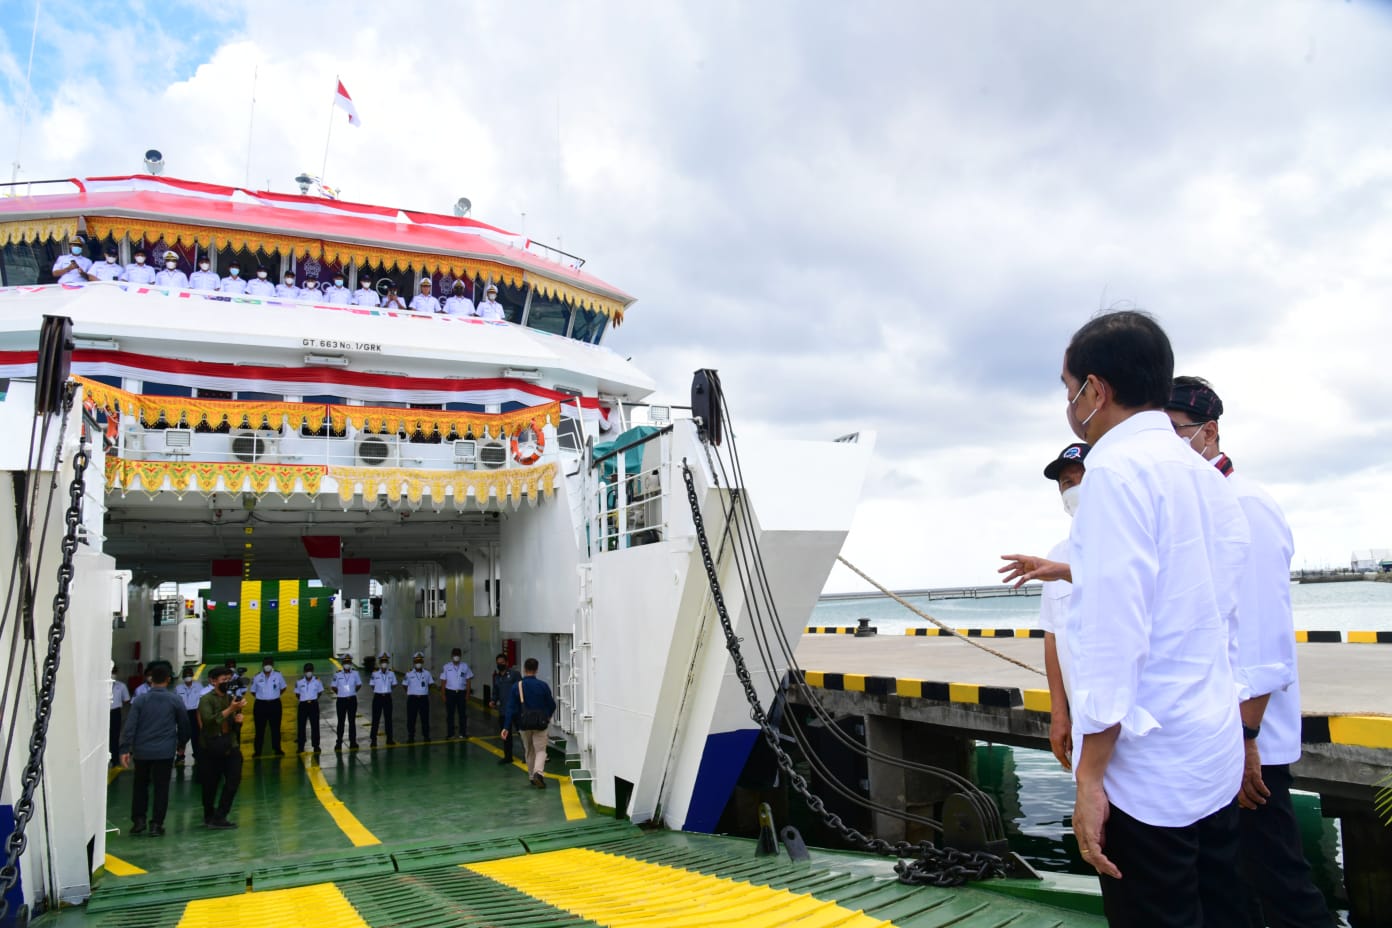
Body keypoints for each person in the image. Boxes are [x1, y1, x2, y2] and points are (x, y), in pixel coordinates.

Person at [1057, 310, 1250, 927]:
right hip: (1210, 750)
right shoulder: (1204, 476)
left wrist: (1089, 778)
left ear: (1096, 390)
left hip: (1146, 774)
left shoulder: (1114, 472)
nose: (1069, 405)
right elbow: (1224, 613)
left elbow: (1117, 634)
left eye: (1069, 391)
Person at [1165, 376, 1336, 928]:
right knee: (1228, 889)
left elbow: (1261, 639)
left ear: (1208, 433)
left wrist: (1245, 740)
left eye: (1175, 434)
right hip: (1212, 738)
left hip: (1247, 741)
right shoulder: (1200, 507)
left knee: (1280, 885)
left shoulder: (1246, 507)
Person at [1000, 442, 1088, 771]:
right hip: (1081, 722)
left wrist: (1064, 573)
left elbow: (1121, 587)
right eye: (1067, 483)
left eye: (1083, 478)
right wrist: (1059, 715)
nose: (1075, 488)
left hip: (1130, 726)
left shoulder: (1130, 545)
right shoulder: (1058, 552)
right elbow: (1052, 637)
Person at [118, 663, 188, 837]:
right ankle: (156, 824)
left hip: (142, 752)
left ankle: (139, 821)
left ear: (150, 680)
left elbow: (130, 726)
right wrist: (181, 745)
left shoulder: (141, 700)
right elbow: (185, 725)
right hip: (164, 752)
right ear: (168, 679)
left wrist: (125, 749)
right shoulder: (175, 700)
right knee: (161, 788)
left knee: (140, 786)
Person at [197, 666, 246, 829]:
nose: (226, 683)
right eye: (223, 680)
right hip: (212, 746)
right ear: (213, 681)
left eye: (228, 680)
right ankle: (209, 814)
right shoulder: (206, 700)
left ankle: (221, 815)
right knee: (210, 783)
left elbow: (232, 723)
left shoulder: (230, 698)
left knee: (233, 780)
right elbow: (209, 721)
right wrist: (231, 709)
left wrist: (238, 719)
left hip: (230, 744)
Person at [501, 657, 556, 789]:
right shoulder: (543, 685)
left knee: (529, 750)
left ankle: (532, 776)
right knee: (541, 750)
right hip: (540, 724)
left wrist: (506, 727)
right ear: (536, 670)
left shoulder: (517, 686)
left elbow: (511, 708)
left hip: (523, 723)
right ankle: (538, 773)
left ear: (524, 669)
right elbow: (552, 704)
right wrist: (547, 716)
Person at [249, 657, 287, 756]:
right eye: (266, 664)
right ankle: (257, 751)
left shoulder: (278, 675)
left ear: (272, 665)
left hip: (275, 704)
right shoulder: (257, 677)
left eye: (269, 663)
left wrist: (274, 696)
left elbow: (283, 688)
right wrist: (263, 697)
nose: (267, 666)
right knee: (259, 729)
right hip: (260, 705)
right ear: (262, 665)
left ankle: (277, 748)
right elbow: (253, 691)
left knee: (276, 728)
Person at [490, 653, 521, 765]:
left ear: (507, 663)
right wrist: (493, 700)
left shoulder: (514, 675)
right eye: (498, 663)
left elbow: (520, 689)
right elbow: (495, 691)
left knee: (522, 733)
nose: (500, 665)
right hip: (503, 710)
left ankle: (528, 756)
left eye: (502, 663)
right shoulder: (497, 677)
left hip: (516, 710)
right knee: (505, 734)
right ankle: (508, 756)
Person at [174, 666, 208, 766]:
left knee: (196, 734)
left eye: (189, 675)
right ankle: (180, 756)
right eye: (186, 675)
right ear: (183, 677)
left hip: (195, 712)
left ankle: (197, 755)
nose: (188, 677)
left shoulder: (199, 686)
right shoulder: (178, 688)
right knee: (182, 734)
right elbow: (176, 702)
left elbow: (202, 699)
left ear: (192, 676)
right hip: (183, 713)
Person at [439, 647, 473, 739]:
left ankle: (463, 733)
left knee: (462, 714)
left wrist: (468, 693)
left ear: (460, 656)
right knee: (450, 714)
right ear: (451, 656)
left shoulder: (465, 666)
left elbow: (468, 680)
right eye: (454, 655)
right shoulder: (446, 667)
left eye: (458, 655)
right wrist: (443, 694)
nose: (456, 657)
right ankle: (450, 733)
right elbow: (443, 681)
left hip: (461, 693)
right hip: (450, 693)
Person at [331, 655, 362, 750]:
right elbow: (333, 686)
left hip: (352, 700)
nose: (347, 664)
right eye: (345, 663)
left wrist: (352, 692)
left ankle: (353, 742)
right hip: (341, 700)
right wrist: (341, 694)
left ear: (351, 663)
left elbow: (359, 685)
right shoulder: (337, 675)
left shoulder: (355, 674)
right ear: (342, 664)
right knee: (341, 722)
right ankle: (339, 742)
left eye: (348, 663)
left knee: (352, 721)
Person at [368, 653, 398, 747]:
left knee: (388, 719)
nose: (384, 663)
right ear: (380, 663)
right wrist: (380, 691)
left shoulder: (392, 674)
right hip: (378, 697)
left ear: (388, 662)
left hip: (387, 698)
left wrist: (387, 691)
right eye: (382, 661)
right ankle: (373, 740)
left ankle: (389, 739)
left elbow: (394, 684)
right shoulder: (375, 673)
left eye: (385, 661)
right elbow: (372, 685)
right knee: (375, 719)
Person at [295, 662, 324, 753]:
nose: (309, 672)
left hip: (313, 705)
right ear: (304, 671)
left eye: (310, 670)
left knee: (315, 726)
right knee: (301, 726)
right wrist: (305, 700)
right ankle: (301, 746)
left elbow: (320, 692)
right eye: (307, 670)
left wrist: (313, 699)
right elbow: (297, 694)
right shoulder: (299, 682)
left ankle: (316, 745)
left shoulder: (317, 681)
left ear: (313, 671)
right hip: (303, 705)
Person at [404, 652, 433, 742]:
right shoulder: (408, 674)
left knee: (425, 718)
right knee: (411, 718)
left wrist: (424, 692)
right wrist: (411, 692)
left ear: (423, 662)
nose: (418, 663)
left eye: (420, 661)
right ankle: (411, 736)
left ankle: (426, 736)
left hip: (423, 699)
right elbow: (404, 685)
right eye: (416, 661)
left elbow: (430, 684)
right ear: (414, 662)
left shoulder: (427, 674)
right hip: (412, 699)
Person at [110, 664, 131, 768]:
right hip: (103, 712)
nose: (112, 674)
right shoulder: (100, 686)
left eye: (114, 672)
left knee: (115, 736)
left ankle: (114, 759)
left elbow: (127, 700)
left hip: (115, 712)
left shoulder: (121, 686)